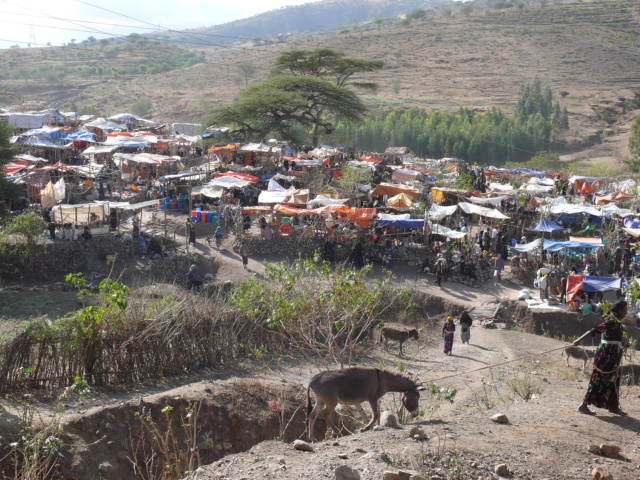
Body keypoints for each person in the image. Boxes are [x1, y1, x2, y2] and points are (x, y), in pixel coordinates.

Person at [574, 300, 630, 416]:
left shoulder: (617, 323)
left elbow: (614, 339)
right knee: (598, 378)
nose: (626, 312)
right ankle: (583, 405)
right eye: (625, 310)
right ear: (619, 311)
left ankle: (613, 406)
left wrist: (623, 344)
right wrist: (578, 340)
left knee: (614, 379)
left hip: (614, 355)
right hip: (605, 355)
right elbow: (594, 330)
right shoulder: (610, 322)